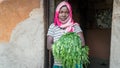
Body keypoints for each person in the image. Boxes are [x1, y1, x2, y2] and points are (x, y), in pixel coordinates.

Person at [47, 1, 85, 68]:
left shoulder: (75, 26)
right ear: (57, 13)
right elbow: (49, 45)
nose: (64, 15)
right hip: (59, 64)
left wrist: (70, 47)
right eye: (61, 12)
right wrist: (62, 48)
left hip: (74, 64)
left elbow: (82, 43)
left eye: (67, 12)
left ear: (70, 13)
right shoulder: (53, 27)